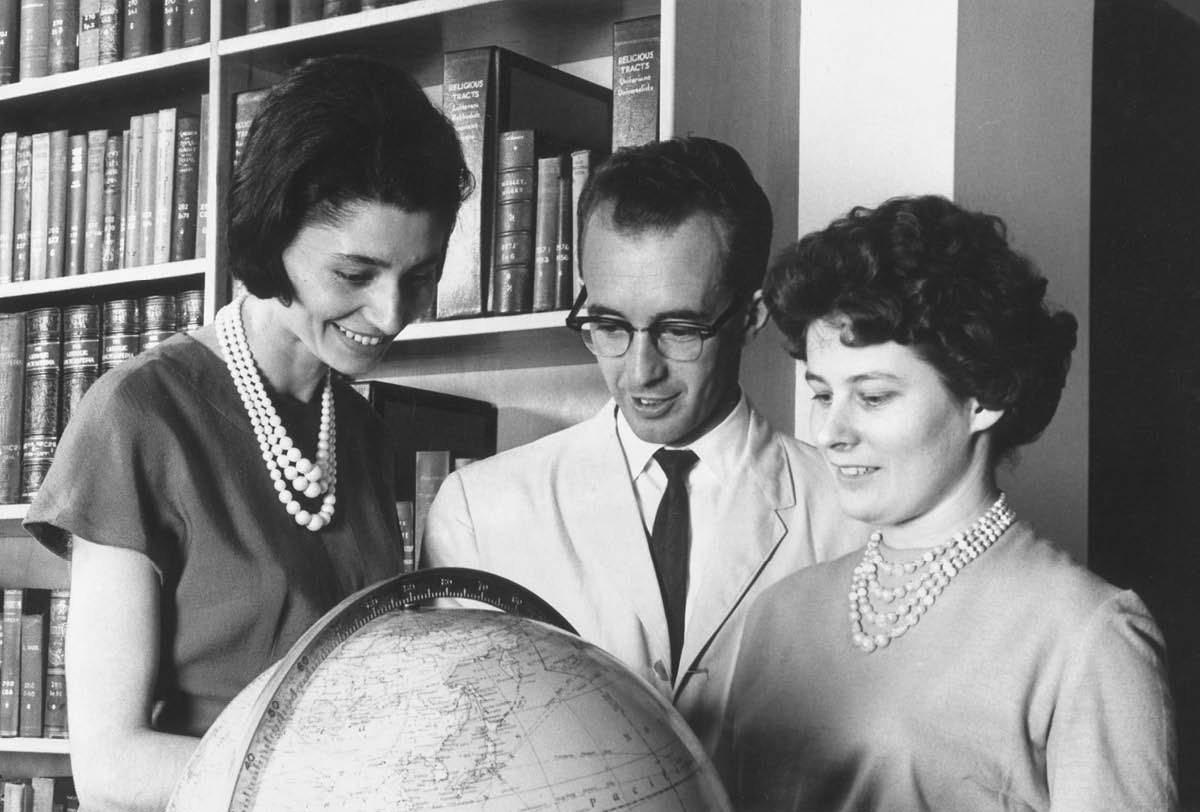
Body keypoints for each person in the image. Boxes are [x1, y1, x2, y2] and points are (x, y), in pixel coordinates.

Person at [22, 56, 470, 811]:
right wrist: (352, 786)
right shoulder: (138, 415)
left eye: (419, 274)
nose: (393, 314)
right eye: (355, 274)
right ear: (272, 234)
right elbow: (110, 767)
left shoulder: (358, 429)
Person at [722, 194, 1178, 810]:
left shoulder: (1087, 634)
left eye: (875, 396)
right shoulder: (777, 614)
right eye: (823, 395)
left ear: (983, 397)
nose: (831, 432)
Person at [422, 136, 859, 757]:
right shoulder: (480, 510)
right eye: (609, 326)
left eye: (680, 330)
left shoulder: (851, 512)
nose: (638, 371)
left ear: (752, 317)